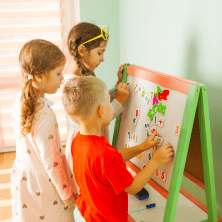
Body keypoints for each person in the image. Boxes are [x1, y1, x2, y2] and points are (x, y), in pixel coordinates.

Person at [62, 76, 174, 221]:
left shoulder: (78, 141)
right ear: (101, 110)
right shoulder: (104, 154)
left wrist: (142, 147)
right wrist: (156, 161)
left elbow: (110, 159)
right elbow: (133, 187)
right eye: (109, 101)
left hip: (86, 212)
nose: (111, 104)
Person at [11, 39, 77, 221]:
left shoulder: (20, 100)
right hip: (46, 187)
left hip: (24, 182)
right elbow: (51, 161)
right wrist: (66, 194)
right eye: (58, 74)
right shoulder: (45, 114)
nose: (62, 79)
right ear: (39, 76)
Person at [63, 22, 130, 195]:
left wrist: (118, 86)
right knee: (91, 191)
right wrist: (119, 101)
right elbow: (97, 117)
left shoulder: (83, 77)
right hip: (87, 148)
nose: (103, 58)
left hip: (92, 145)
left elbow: (99, 103)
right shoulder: (74, 83)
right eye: (99, 52)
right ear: (82, 50)